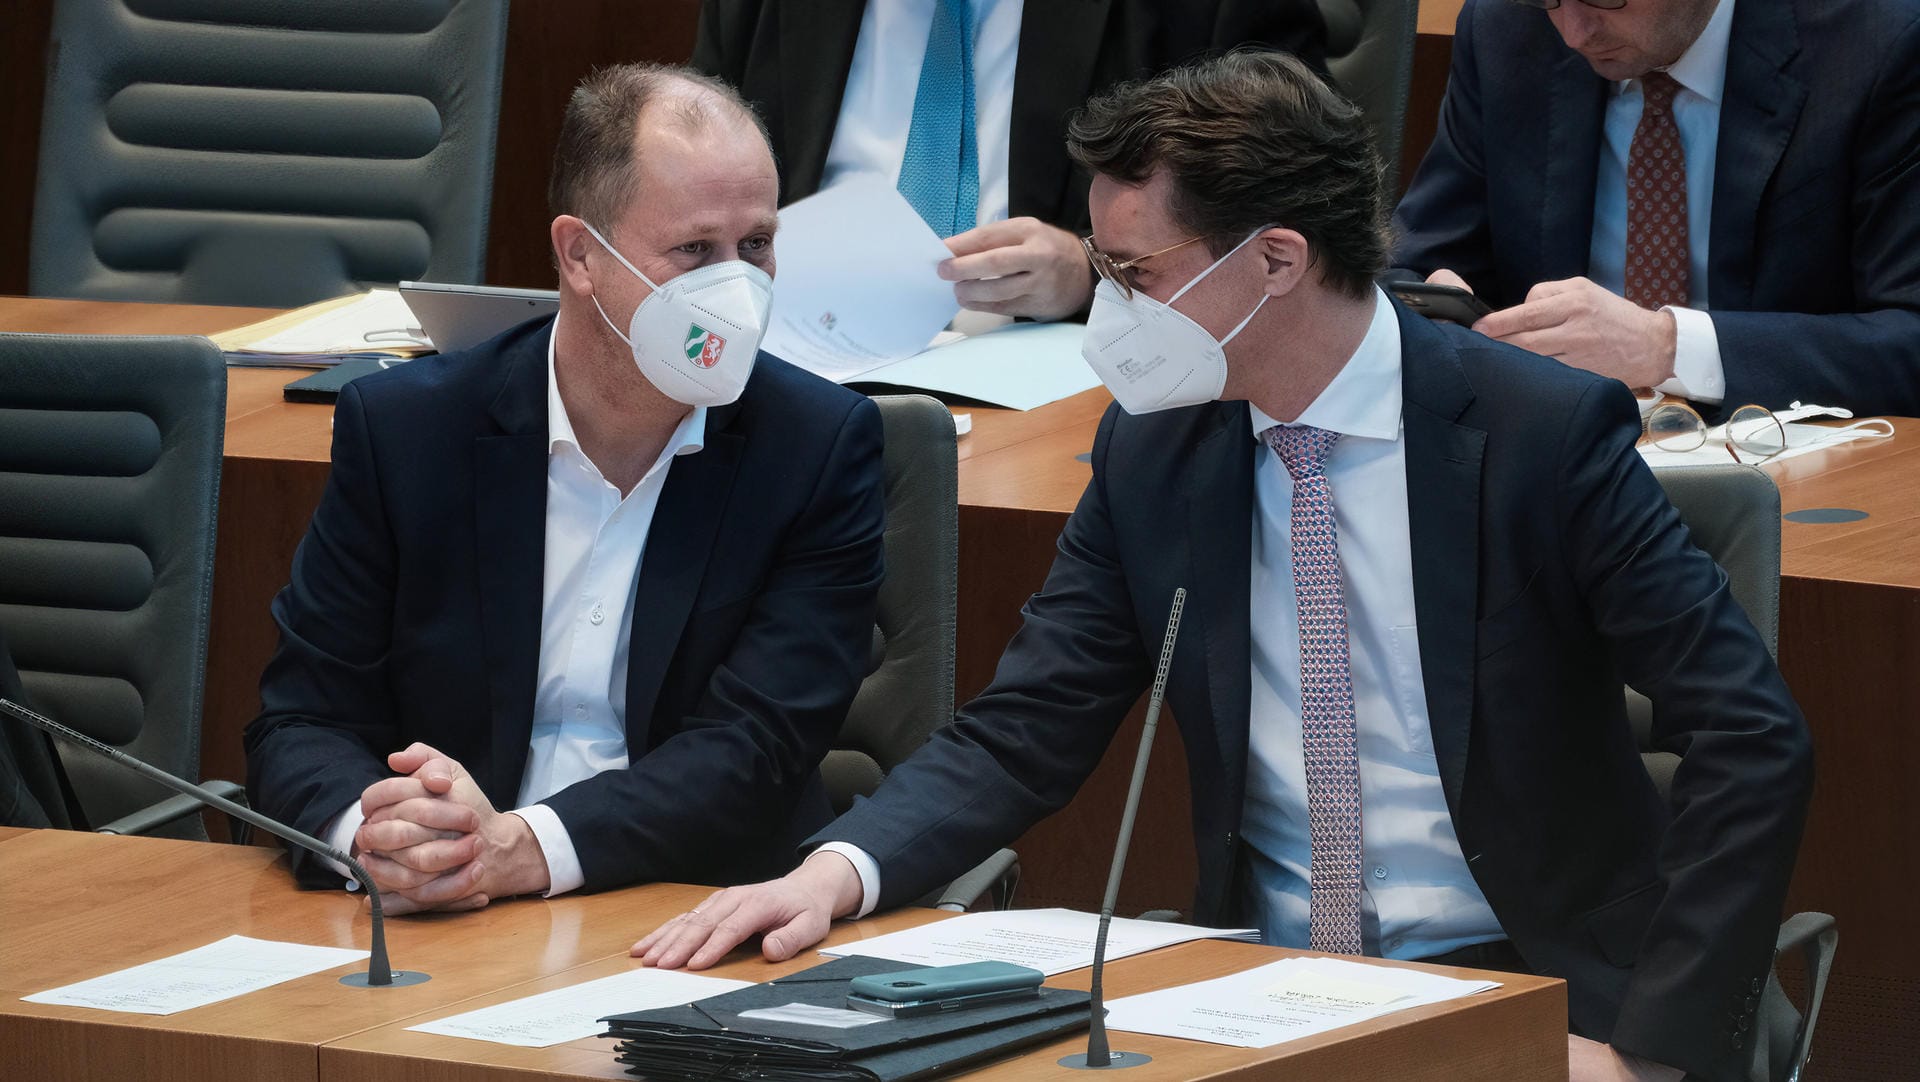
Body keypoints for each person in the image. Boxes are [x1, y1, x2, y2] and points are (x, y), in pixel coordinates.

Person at [633, 51, 1813, 1082]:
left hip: (1535, 988)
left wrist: (1650, 1048)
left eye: (1137, 274)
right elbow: (1027, 724)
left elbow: (1750, 732)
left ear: (1278, 261)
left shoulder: (1537, 436)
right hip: (1266, 993)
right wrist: (838, 870)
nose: (1111, 307)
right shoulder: (1155, 445)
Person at [243, 64, 886, 915]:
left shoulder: (816, 444)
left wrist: (520, 849)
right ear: (580, 255)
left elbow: (755, 750)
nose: (738, 289)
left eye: (757, 246)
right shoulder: (406, 432)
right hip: (428, 910)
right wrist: (379, 838)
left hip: (687, 906)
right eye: (695, 251)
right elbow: (300, 720)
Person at [1392, 0, 1920, 418]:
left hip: (1797, 465)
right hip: (1559, 463)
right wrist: (1432, 306)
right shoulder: (1507, 30)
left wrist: (1668, 349)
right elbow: (1403, 267)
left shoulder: (1879, 43)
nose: (1573, 31)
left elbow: (1908, 342)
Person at [690, 0, 1326, 321]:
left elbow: (1284, 202)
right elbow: (694, 178)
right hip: (792, 353)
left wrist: (1093, 270)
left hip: (1073, 374)